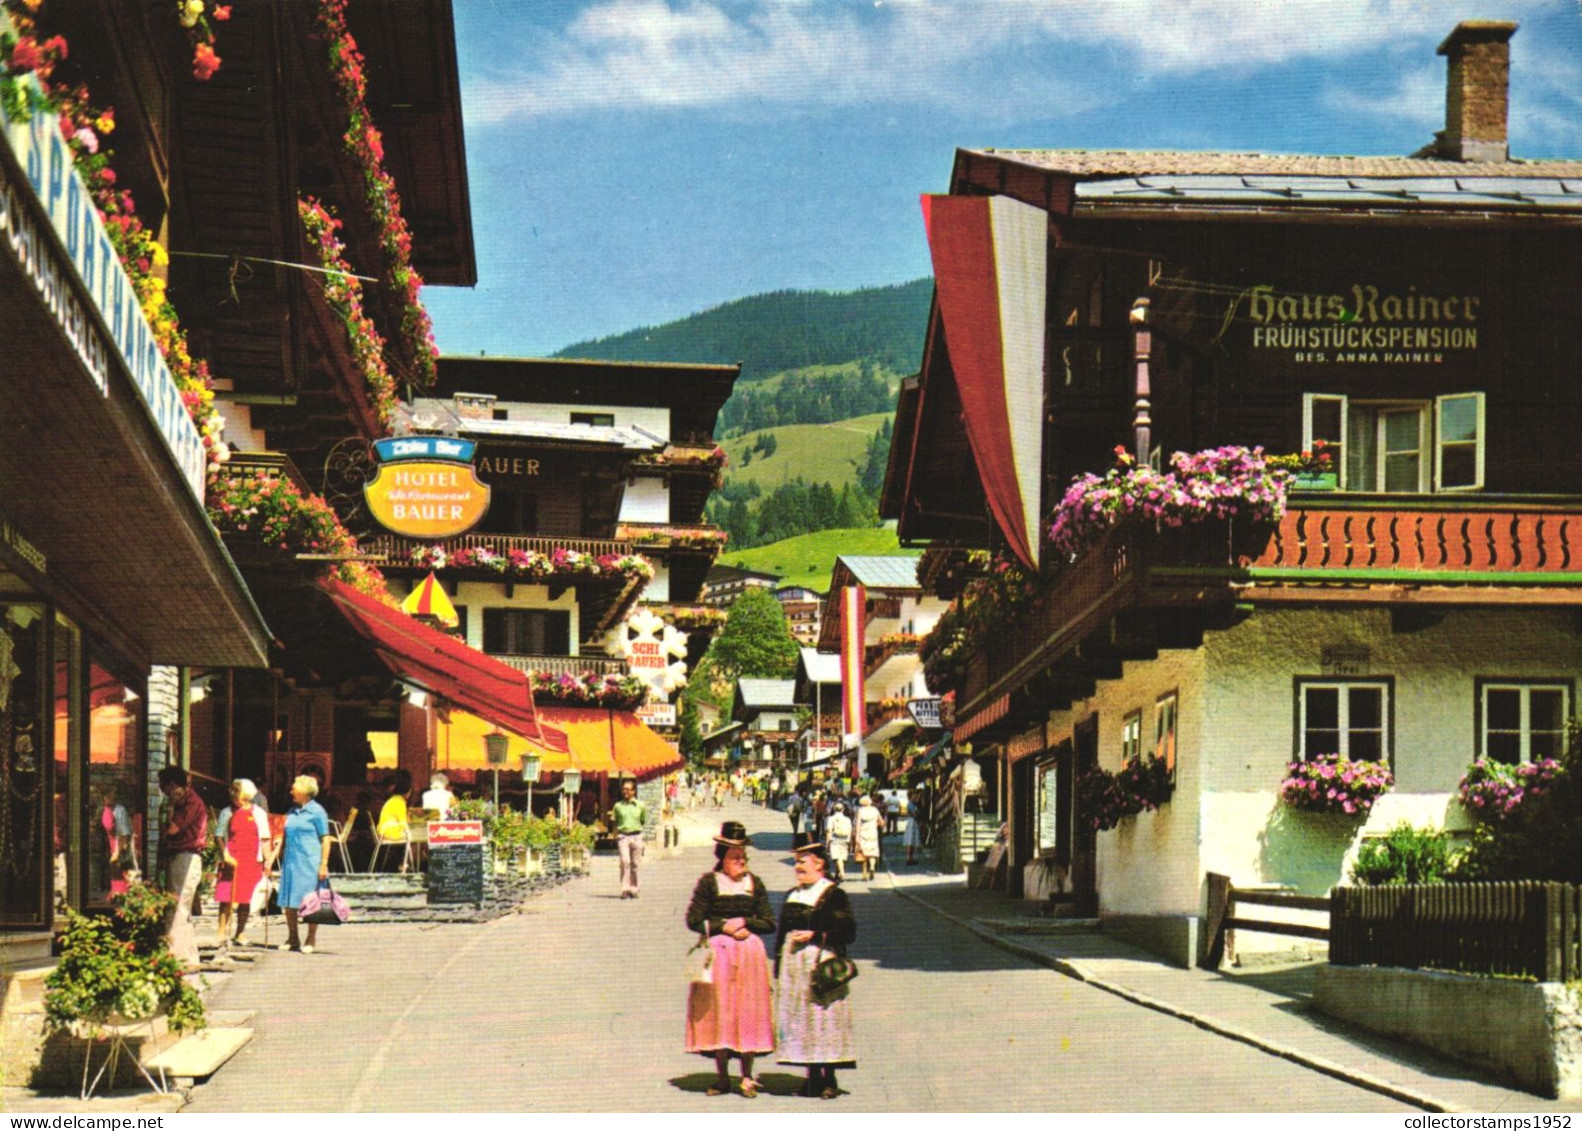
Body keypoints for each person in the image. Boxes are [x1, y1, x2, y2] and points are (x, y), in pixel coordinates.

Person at [684, 821, 775, 1098]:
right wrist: (722, 926)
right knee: (720, 1012)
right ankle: (722, 1076)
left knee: (747, 1012)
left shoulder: (754, 884)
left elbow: (769, 921)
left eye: (743, 856)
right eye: (735, 856)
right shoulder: (709, 883)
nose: (741, 861)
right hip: (720, 958)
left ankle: (746, 1077)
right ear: (722, 857)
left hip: (749, 957)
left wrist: (747, 921)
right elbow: (694, 920)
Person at [775, 842, 857, 1099]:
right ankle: (811, 1078)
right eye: (796, 861)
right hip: (794, 968)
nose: (797, 866)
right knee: (804, 1021)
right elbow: (781, 935)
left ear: (819, 863)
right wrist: (777, 969)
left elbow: (848, 930)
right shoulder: (792, 895)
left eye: (802, 861)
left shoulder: (833, 894)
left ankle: (830, 1078)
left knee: (826, 1019)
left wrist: (815, 933)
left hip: (821, 965)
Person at [157, 766, 208, 973]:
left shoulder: (190, 803)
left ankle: (178, 957)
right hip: (177, 856)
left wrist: (169, 805)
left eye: (164, 786)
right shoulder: (181, 802)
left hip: (185, 857)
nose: (162, 790)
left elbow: (172, 828)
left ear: (173, 785)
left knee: (178, 908)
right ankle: (187, 956)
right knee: (179, 909)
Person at [277, 774, 333, 954]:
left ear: (304, 791)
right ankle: (293, 937)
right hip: (291, 861)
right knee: (288, 900)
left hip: (310, 861)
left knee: (311, 900)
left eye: (294, 787)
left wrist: (323, 864)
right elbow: (284, 836)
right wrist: (272, 857)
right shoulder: (291, 811)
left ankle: (311, 937)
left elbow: (326, 839)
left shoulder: (317, 811)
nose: (291, 790)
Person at [215, 779, 269, 949]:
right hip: (231, 859)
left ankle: (240, 933)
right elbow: (219, 836)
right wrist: (225, 855)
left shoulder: (259, 813)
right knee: (226, 897)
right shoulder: (226, 812)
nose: (234, 798)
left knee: (245, 899)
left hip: (251, 860)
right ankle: (222, 932)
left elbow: (265, 838)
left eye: (237, 795)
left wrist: (268, 862)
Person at [611, 779, 648, 898]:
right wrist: (614, 835)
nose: (625, 791)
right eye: (623, 789)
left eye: (628, 789)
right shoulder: (618, 806)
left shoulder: (640, 805)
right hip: (623, 836)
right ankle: (625, 889)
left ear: (633, 791)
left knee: (635, 864)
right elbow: (614, 821)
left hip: (637, 836)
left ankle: (634, 889)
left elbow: (643, 820)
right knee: (625, 861)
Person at [854, 795, 882, 881]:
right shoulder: (875, 810)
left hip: (863, 832)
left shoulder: (861, 811)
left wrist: (857, 836)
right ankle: (872, 867)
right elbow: (881, 821)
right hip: (873, 831)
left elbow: (858, 824)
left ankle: (864, 874)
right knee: (873, 851)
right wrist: (875, 824)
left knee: (864, 853)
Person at [378, 771, 411, 841]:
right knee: (415, 835)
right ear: (407, 792)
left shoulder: (392, 800)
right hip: (391, 833)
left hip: (383, 832)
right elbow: (403, 822)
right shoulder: (400, 803)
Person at [825, 802, 852, 881]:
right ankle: (837, 874)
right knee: (842, 857)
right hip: (845, 838)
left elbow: (829, 830)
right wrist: (850, 841)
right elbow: (850, 830)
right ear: (843, 809)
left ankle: (842, 873)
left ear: (834, 809)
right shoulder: (847, 819)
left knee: (837, 857)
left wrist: (827, 841)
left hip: (835, 838)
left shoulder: (831, 818)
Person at [903, 788, 924, 865]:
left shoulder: (913, 804)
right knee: (910, 840)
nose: (915, 797)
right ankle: (908, 857)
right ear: (910, 796)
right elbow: (915, 814)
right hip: (911, 821)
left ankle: (911, 857)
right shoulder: (910, 804)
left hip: (913, 821)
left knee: (912, 840)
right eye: (913, 795)